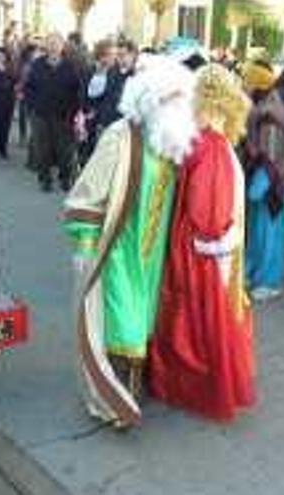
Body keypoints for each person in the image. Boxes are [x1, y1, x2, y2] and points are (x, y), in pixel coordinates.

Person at [63, 55, 198, 428]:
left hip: (156, 254)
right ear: (150, 100)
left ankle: (138, 387)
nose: (178, 108)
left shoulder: (173, 140)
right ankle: (115, 400)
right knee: (124, 320)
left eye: (180, 100)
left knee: (147, 318)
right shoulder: (119, 137)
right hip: (121, 250)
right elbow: (85, 196)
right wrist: (85, 247)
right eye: (171, 100)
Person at [149, 63, 256, 423]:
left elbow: (202, 208)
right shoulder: (216, 144)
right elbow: (209, 209)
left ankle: (188, 385)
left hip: (196, 247)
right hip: (209, 248)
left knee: (191, 318)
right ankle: (201, 385)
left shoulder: (205, 143)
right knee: (207, 319)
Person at [242, 61, 284, 300]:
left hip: (272, 186)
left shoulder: (268, 115)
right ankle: (257, 276)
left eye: (246, 82)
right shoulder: (269, 108)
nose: (243, 87)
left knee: (268, 235)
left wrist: (256, 189)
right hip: (270, 184)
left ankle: (268, 282)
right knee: (261, 233)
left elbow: (271, 160)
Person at [24, 33, 82, 192]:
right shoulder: (37, 64)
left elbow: (77, 91)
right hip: (40, 115)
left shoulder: (70, 67)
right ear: (46, 46)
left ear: (62, 46)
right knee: (42, 150)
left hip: (63, 116)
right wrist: (32, 106)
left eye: (57, 43)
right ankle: (45, 179)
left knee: (64, 150)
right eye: (50, 43)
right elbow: (28, 88)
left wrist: (75, 112)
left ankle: (65, 178)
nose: (54, 47)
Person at [81, 39, 118, 161]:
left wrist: (97, 112)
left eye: (115, 55)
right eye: (111, 55)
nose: (114, 58)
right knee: (86, 151)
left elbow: (111, 98)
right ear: (101, 56)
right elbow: (82, 93)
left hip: (104, 120)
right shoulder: (89, 70)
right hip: (88, 119)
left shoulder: (115, 73)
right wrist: (85, 112)